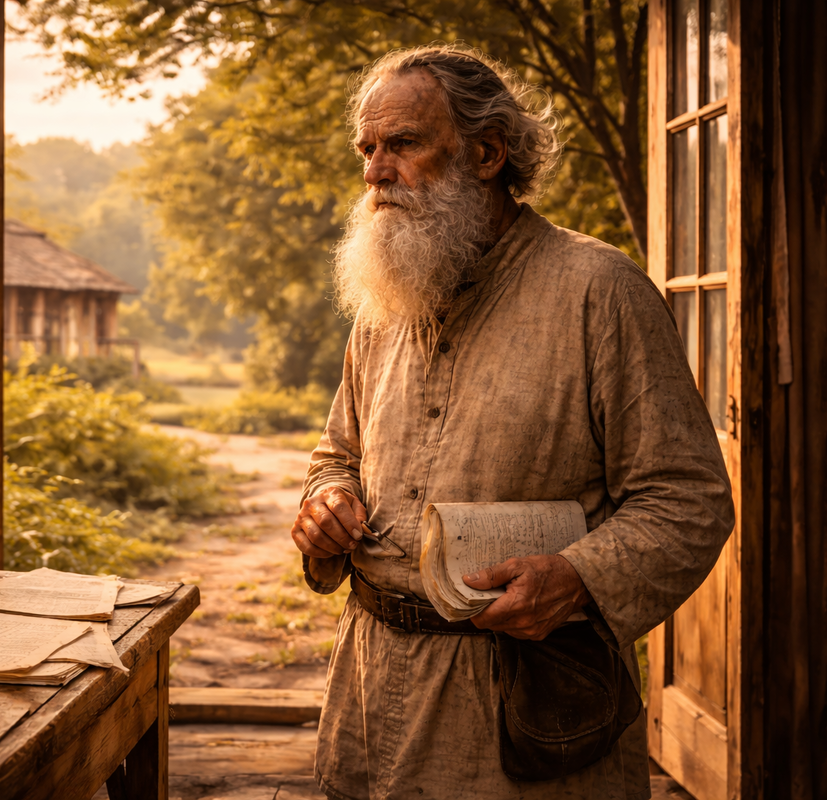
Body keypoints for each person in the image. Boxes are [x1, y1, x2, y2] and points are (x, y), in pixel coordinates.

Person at [291, 45, 734, 800]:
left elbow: (688, 500)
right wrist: (326, 503)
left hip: (529, 703)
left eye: (403, 144)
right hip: (366, 692)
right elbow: (338, 453)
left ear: (488, 153)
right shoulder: (386, 301)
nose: (374, 173)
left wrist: (578, 578)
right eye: (367, 150)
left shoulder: (601, 291)